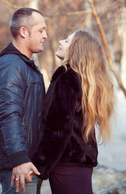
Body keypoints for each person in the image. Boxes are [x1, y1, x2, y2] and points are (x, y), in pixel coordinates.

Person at [32, 30, 115, 194]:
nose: (61, 41)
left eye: (67, 40)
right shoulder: (81, 80)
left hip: (67, 165)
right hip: (80, 164)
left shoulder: (67, 78)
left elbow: (58, 128)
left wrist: (38, 164)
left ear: (77, 49)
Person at [0, 7, 47, 194]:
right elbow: (8, 115)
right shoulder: (11, 66)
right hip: (18, 164)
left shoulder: (23, 65)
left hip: (27, 161)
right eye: (41, 30)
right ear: (24, 32)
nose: (45, 35)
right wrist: (19, 159)